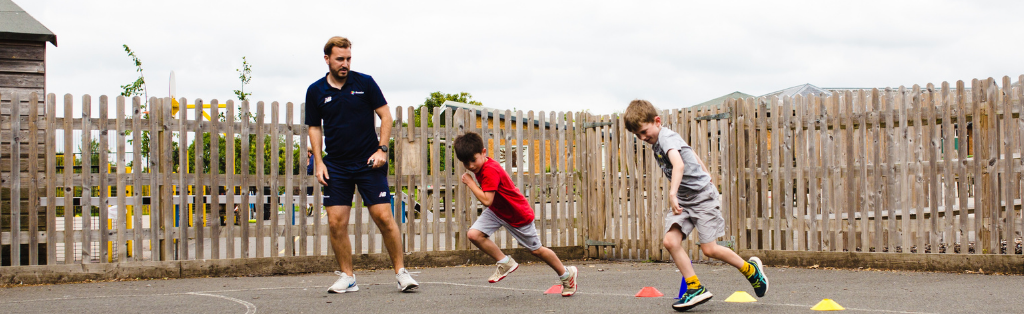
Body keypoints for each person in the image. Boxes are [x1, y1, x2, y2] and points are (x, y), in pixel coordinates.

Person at [623, 99, 768, 311]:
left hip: (701, 199)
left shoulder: (666, 136)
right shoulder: (659, 141)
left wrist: (672, 193)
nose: (643, 138)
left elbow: (678, 163)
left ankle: (750, 270)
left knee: (709, 249)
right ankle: (695, 288)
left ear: (657, 121)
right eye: (638, 135)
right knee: (671, 241)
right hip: (685, 200)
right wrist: (705, 170)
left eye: (644, 131)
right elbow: (689, 152)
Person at [305, 36, 418, 293]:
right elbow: (314, 127)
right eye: (340, 59)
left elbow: (386, 116)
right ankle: (348, 277)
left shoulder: (364, 83)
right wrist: (319, 162)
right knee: (336, 222)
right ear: (327, 59)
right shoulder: (315, 91)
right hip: (336, 165)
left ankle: (401, 273)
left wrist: (382, 149)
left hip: (369, 162)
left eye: (348, 59)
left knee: (384, 217)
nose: (345, 64)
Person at [454, 132, 579, 297]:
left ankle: (566, 274)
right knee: (474, 234)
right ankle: (505, 262)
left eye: (473, 160)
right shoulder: (481, 166)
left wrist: (470, 183)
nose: (470, 166)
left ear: (484, 152)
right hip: (498, 211)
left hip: (517, 215)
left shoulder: (490, 170)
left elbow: (487, 200)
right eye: (465, 162)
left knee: (536, 250)